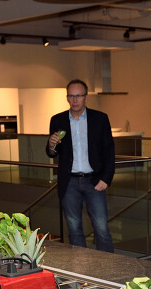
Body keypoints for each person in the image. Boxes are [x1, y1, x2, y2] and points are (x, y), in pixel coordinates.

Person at [46, 79, 116, 252]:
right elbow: (51, 153)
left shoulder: (100, 119)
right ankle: (82, 271)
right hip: (69, 183)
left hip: (95, 181)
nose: (75, 100)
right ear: (67, 98)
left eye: (78, 96)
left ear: (86, 98)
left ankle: (110, 271)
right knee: (74, 230)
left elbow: (109, 151)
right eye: (71, 96)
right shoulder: (57, 120)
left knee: (101, 229)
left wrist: (106, 178)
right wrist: (51, 144)